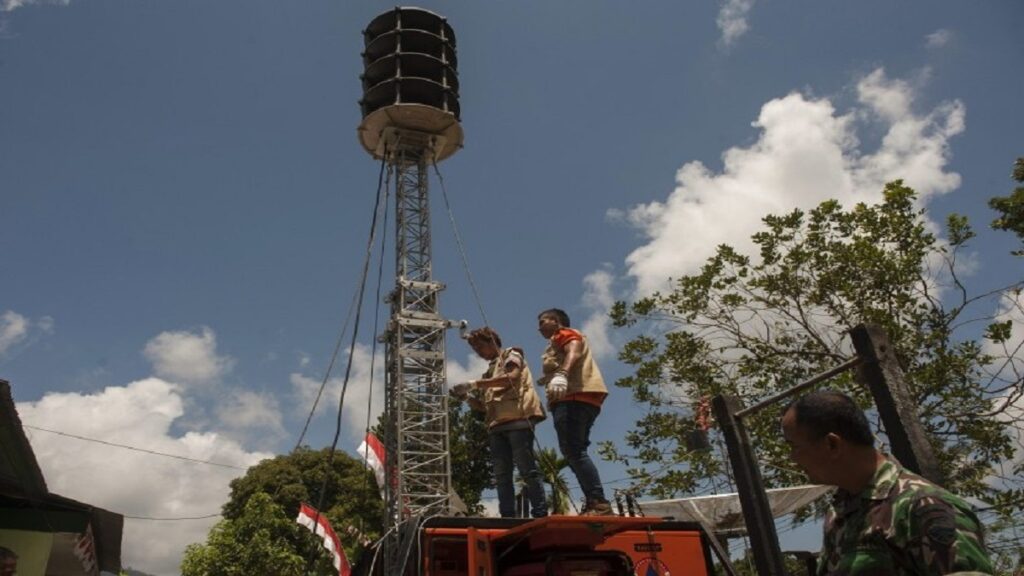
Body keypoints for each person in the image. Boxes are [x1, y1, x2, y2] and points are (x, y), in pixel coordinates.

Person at [781, 390, 994, 576]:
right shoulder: (839, 513)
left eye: (794, 447)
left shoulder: (923, 507)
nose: (792, 458)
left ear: (832, 444)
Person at [452, 327, 548, 518]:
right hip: (497, 426)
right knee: (502, 476)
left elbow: (510, 379)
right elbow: (484, 406)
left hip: (518, 420)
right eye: (475, 349)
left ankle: (540, 512)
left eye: (480, 346)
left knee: (527, 470)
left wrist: (473, 384)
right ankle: (507, 516)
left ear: (492, 342)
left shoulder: (511, 355)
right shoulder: (489, 372)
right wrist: (466, 398)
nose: (478, 352)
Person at [536, 308, 613, 516]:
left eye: (543, 321)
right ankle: (594, 500)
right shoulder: (555, 343)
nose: (539, 327)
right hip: (581, 398)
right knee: (574, 451)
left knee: (574, 451)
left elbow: (574, 350)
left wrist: (562, 373)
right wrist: (549, 377)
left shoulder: (564, 334)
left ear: (556, 321)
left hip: (574, 397)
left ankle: (598, 501)